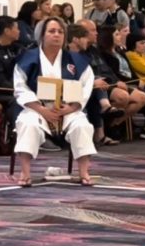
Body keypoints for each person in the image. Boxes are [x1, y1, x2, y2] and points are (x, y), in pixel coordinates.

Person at [12, 18, 96, 186]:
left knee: (82, 125)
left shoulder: (76, 59)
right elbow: (20, 87)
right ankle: (25, 172)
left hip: (67, 109)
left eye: (60, 32)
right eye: (51, 31)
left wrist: (71, 108)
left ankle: (84, 172)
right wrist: (41, 109)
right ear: (41, 35)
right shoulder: (28, 58)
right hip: (37, 109)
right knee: (27, 123)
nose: (56, 35)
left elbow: (87, 84)